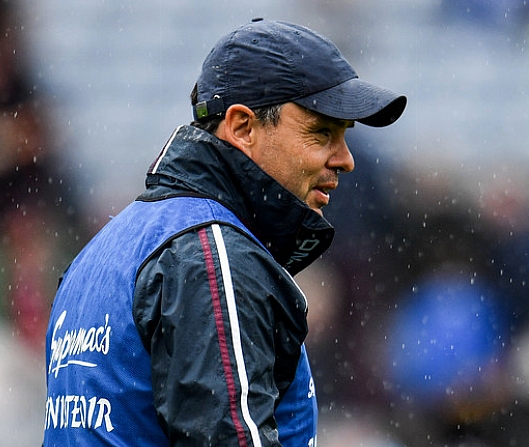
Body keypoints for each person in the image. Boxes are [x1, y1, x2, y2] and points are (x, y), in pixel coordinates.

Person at [42, 18, 406, 446]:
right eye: (321, 132)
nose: (345, 160)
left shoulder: (103, 252)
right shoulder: (212, 257)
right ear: (242, 127)